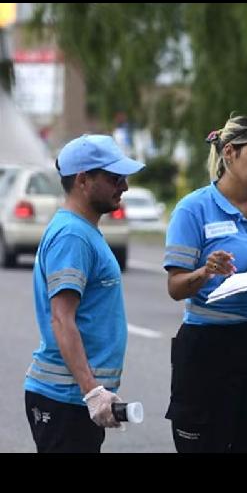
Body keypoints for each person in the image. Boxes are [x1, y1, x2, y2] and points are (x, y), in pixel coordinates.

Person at [162, 114, 247, 452]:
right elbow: (176, 287)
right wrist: (205, 271)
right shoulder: (193, 209)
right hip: (209, 345)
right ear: (229, 154)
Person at [24, 134, 145, 453]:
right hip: (64, 397)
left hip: (70, 396)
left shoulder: (82, 230)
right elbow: (62, 319)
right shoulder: (73, 236)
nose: (125, 186)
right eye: (114, 177)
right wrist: (91, 391)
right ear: (82, 180)